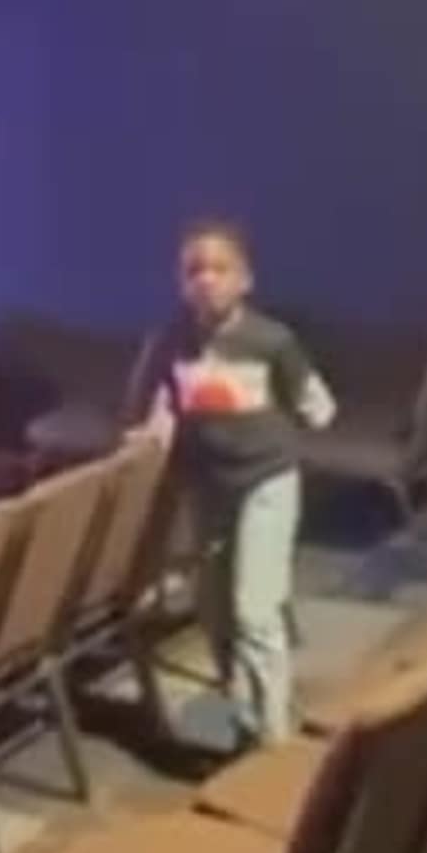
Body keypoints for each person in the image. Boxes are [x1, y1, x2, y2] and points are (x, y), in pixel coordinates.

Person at [126, 218, 336, 749]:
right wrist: (152, 435)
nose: (207, 280)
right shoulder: (174, 338)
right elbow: (164, 404)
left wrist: (277, 423)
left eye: (220, 269)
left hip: (266, 479)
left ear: (244, 279)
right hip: (209, 485)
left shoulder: (270, 340)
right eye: (195, 270)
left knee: (254, 609)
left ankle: (274, 745)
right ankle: (245, 711)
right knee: (214, 609)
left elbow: (318, 407)